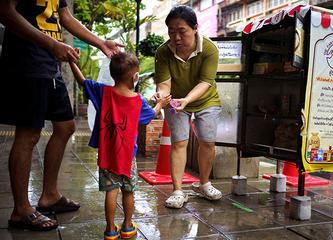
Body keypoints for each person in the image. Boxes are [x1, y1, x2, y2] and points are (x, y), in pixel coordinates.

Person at [0, 0, 123, 231]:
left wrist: (100, 43)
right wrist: (51, 43)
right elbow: (5, 11)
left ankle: (50, 195)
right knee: (29, 133)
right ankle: (21, 210)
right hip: (26, 61)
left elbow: (64, 16)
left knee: (66, 126)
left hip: (50, 63)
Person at [70, 52, 171, 239]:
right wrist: (161, 104)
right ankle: (126, 226)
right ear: (135, 77)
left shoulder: (103, 92)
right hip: (127, 157)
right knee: (128, 191)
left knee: (111, 191)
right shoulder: (137, 100)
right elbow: (150, 116)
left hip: (107, 155)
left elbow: (82, 81)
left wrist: (71, 61)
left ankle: (110, 229)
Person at [154, 5, 222, 209]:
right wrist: (161, 96)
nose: (176, 37)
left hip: (206, 99)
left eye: (181, 31)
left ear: (195, 28)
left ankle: (204, 184)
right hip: (176, 101)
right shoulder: (163, 52)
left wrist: (188, 100)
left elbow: (205, 82)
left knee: (207, 142)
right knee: (179, 143)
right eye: (171, 32)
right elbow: (165, 84)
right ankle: (177, 190)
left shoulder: (209, 49)